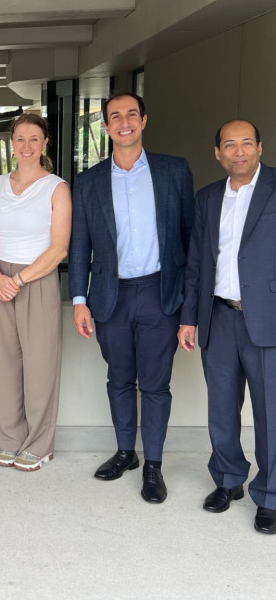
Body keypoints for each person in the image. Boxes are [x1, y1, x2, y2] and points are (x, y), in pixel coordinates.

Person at [69, 91, 194, 503]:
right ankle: (126, 452)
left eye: (131, 115)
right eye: (115, 117)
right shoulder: (89, 182)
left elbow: (190, 238)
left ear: (144, 120)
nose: (124, 123)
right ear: (105, 126)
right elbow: (80, 245)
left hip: (161, 293)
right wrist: (79, 299)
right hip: (111, 296)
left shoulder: (174, 171)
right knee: (119, 378)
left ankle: (153, 465)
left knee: (155, 384)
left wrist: (190, 306)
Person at [178, 120, 276, 534]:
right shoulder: (208, 197)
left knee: (270, 412)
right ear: (218, 153)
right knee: (220, 408)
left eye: (247, 143)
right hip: (218, 315)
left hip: (267, 318)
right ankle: (228, 478)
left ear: (259, 148)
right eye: (230, 145)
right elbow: (197, 261)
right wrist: (188, 316)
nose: (239, 151)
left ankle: (270, 495)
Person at [0, 113, 71, 471]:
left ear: (45, 142)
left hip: (37, 279)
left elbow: (59, 248)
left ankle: (39, 444)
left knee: (40, 364)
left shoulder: (57, 188)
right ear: (12, 143)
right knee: (3, 363)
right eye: (20, 138)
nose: (27, 146)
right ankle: (9, 440)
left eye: (34, 138)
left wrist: (17, 281)